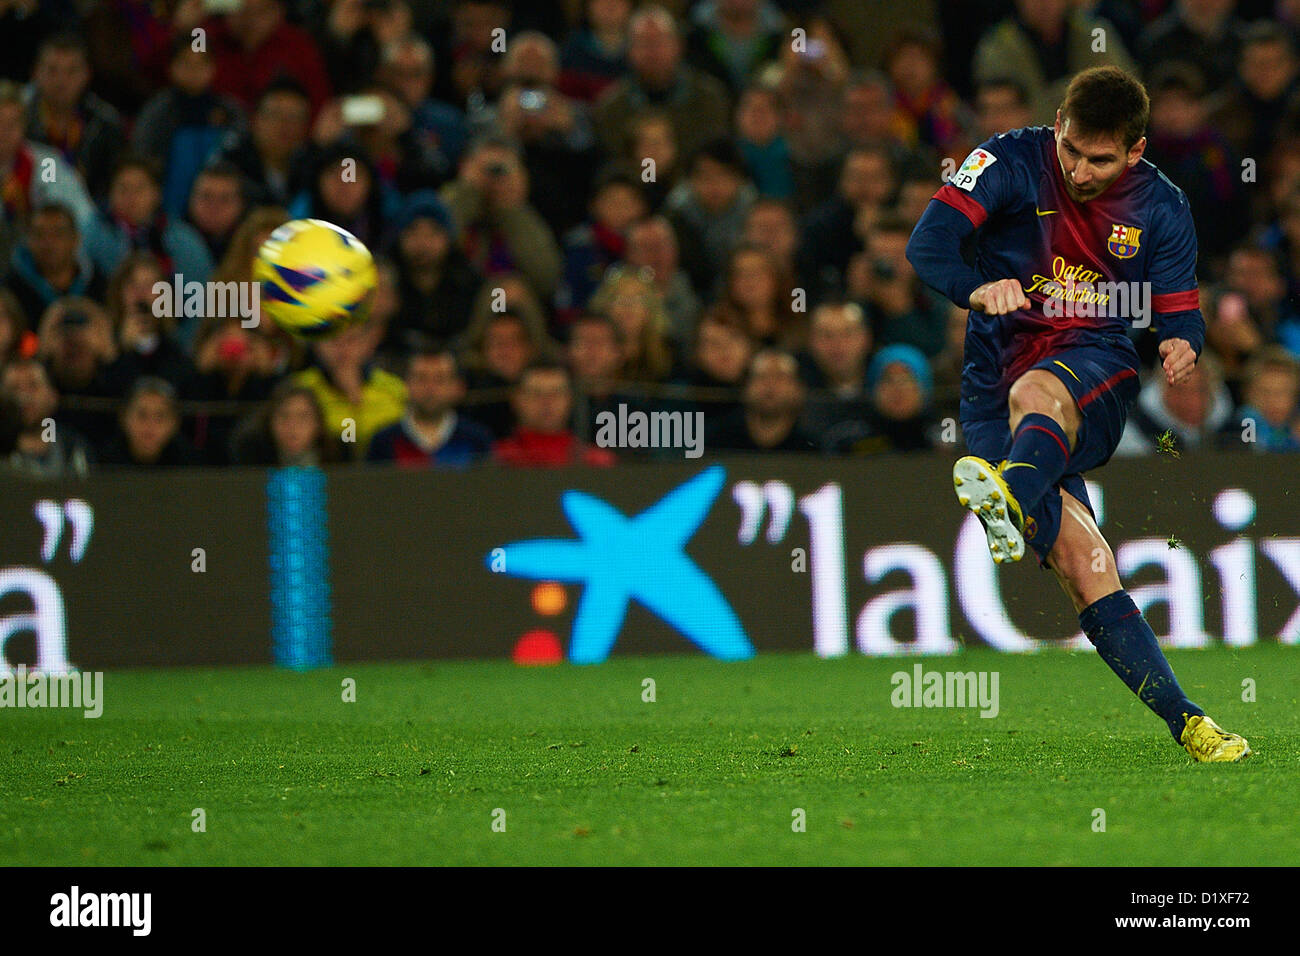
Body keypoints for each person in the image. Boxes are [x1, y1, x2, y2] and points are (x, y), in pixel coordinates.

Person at [905, 66, 1249, 762]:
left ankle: (1012, 494)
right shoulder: (1006, 160)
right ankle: (1192, 725)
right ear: (1058, 124)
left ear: (1135, 150)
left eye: (1101, 159)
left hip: (1095, 366)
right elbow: (929, 245)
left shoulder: (1161, 204)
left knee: (1040, 393)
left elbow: (1180, 309)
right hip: (988, 384)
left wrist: (1182, 345)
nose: (1081, 170)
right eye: (1072, 150)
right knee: (1083, 562)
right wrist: (976, 289)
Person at [366, 347, 494, 467]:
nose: (430, 388)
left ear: (457, 387)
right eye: (421, 378)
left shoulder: (476, 439)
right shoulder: (383, 441)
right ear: (406, 384)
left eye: (440, 380)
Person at [493, 360, 615, 467]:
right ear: (517, 400)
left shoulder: (595, 462)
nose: (547, 401)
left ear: (570, 399)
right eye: (536, 393)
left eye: (556, 393)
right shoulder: (496, 459)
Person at [706, 348, 816, 453]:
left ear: (798, 389)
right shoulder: (717, 439)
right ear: (745, 386)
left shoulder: (811, 447)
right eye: (761, 376)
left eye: (780, 377)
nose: (770, 384)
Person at [0, 356, 92, 478]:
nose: (24, 396)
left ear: (53, 396)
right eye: (14, 388)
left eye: (33, 386)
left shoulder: (73, 447)